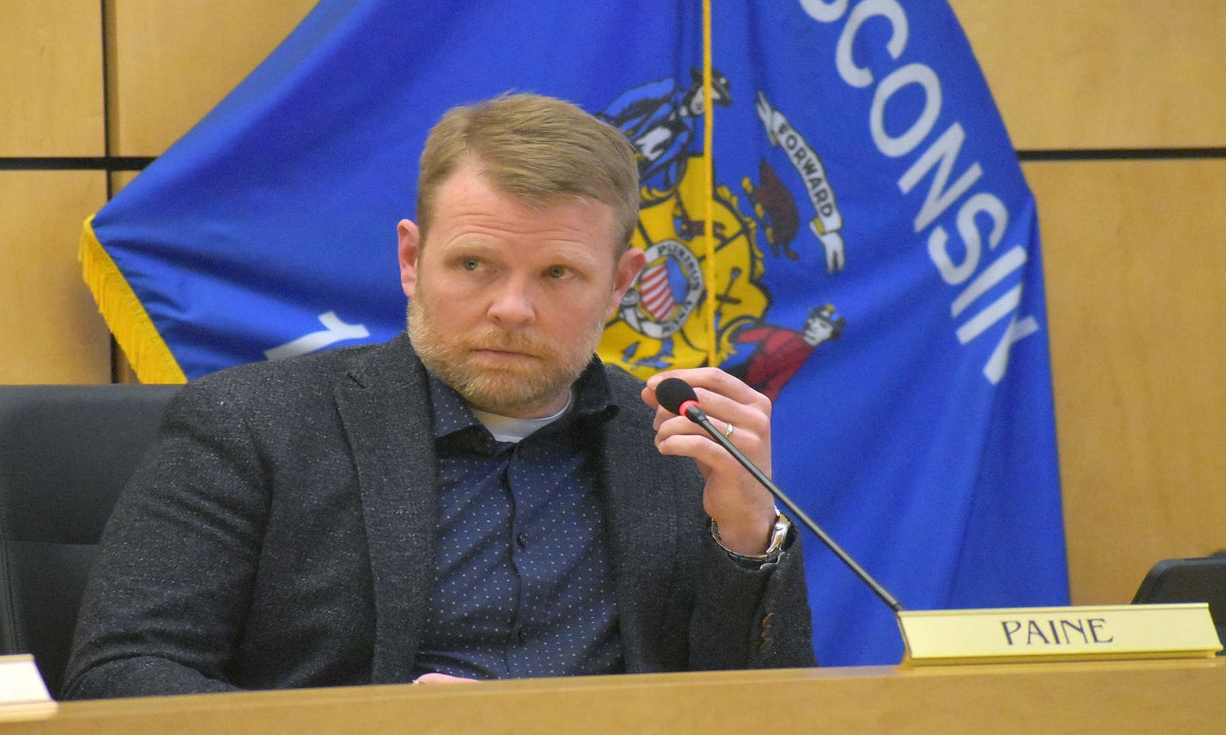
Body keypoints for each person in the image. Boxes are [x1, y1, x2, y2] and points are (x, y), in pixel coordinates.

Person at [63, 93, 814, 699]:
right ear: (412, 260)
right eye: (475, 265)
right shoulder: (252, 426)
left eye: (557, 274)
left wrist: (748, 536)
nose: (512, 309)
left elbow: (764, 732)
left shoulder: (683, 447)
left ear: (620, 285)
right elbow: (121, 676)